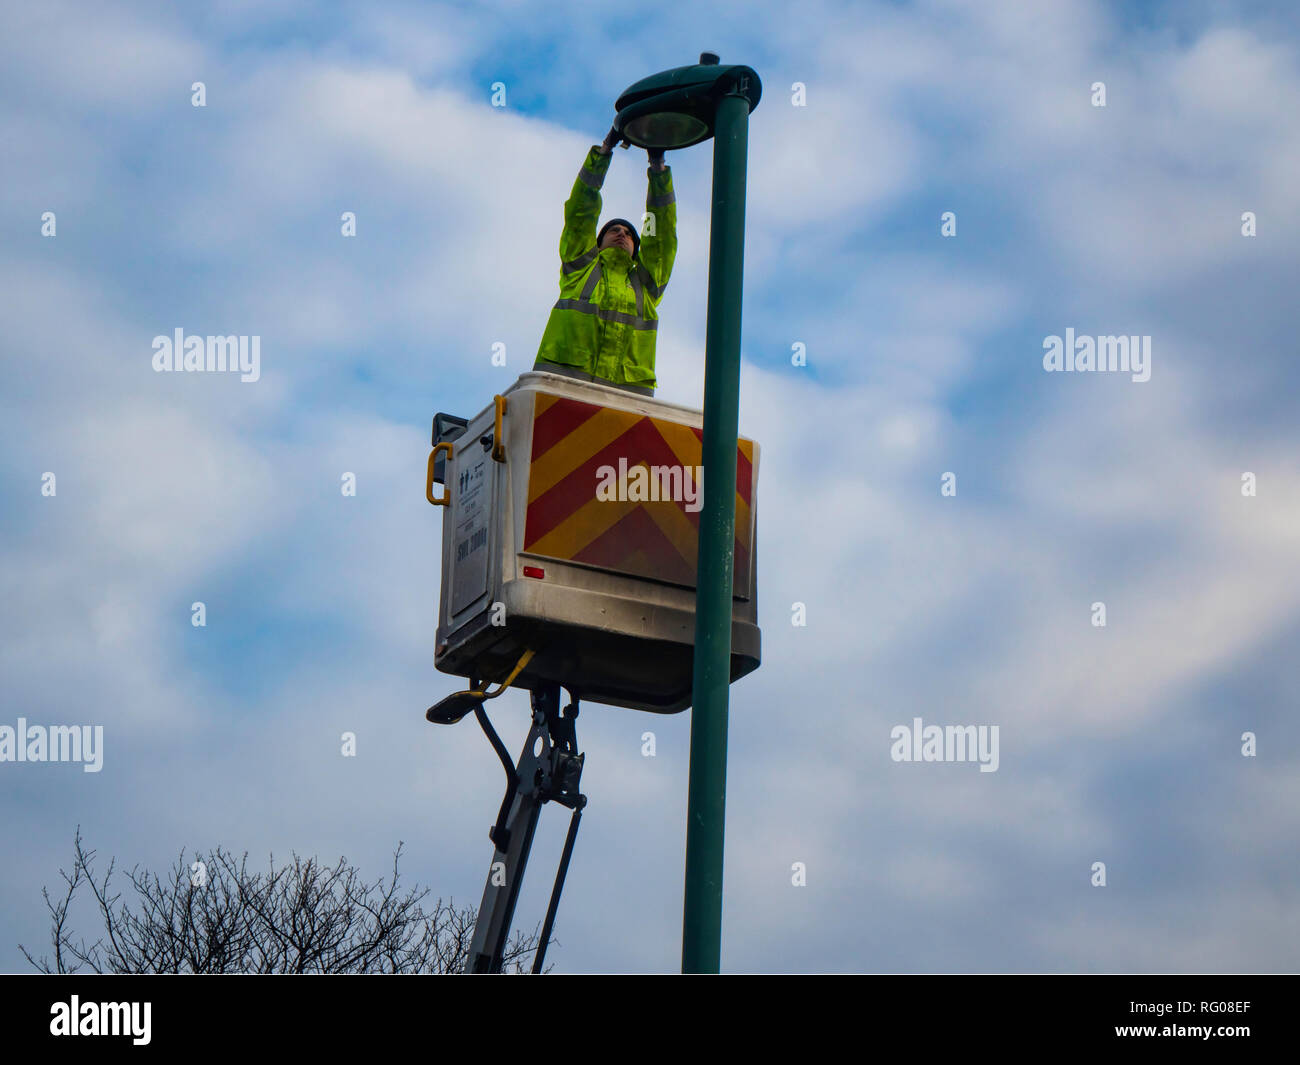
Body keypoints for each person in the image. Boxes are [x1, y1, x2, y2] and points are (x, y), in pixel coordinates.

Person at [533, 125, 677, 396]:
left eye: (629, 234)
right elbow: (580, 212)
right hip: (561, 394)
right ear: (597, 244)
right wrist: (604, 151)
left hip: (624, 406)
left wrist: (658, 167)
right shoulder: (580, 268)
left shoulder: (646, 284)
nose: (622, 235)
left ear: (637, 249)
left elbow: (662, 233)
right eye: (614, 230)